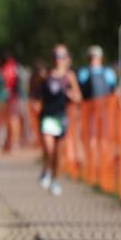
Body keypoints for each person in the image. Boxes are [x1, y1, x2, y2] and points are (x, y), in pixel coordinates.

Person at [34, 44, 82, 196]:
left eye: (61, 56)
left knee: (58, 153)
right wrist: (35, 102)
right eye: (55, 56)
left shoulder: (69, 76)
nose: (58, 59)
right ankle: (46, 171)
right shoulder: (45, 75)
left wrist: (71, 95)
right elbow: (35, 92)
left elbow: (78, 97)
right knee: (49, 149)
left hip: (61, 117)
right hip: (47, 116)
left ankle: (54, 179)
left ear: (66, 59)